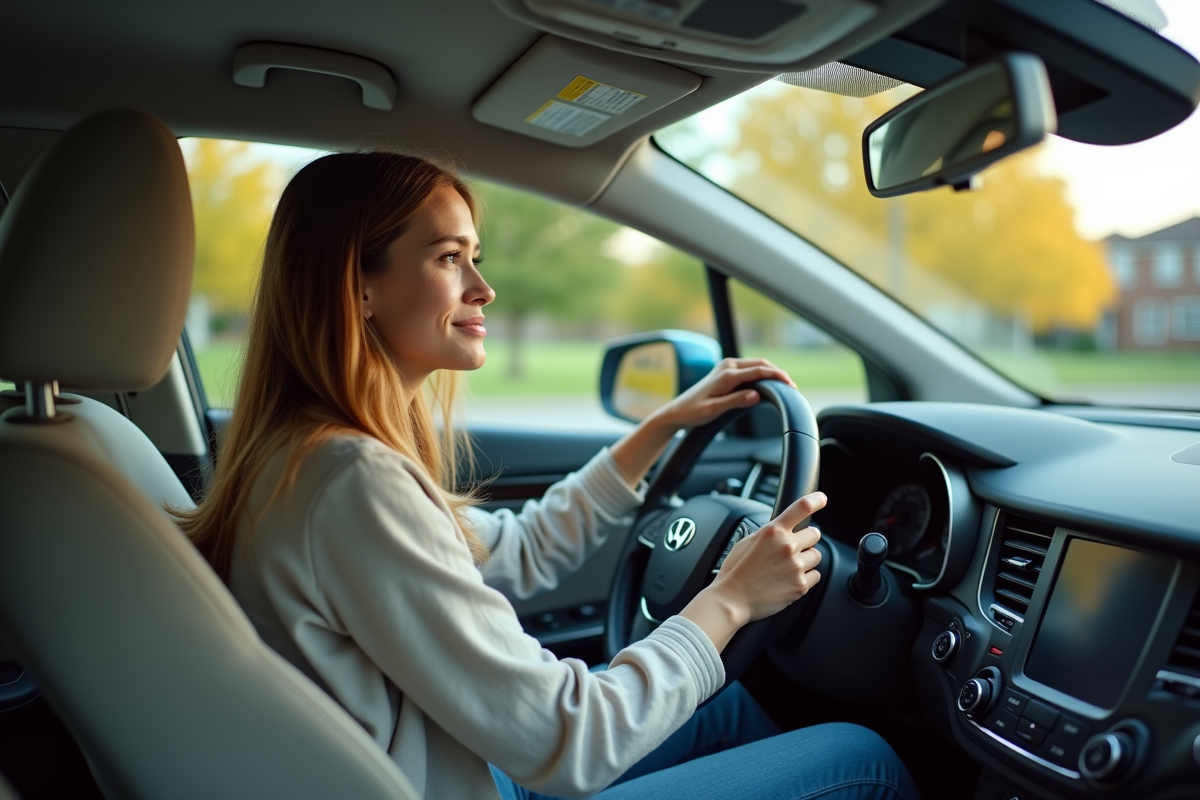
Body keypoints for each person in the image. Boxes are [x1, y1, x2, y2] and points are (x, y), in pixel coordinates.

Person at [178, 152, 920, 800]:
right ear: (360, 287)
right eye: (447, 257)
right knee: (864, 760)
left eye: (476, 256)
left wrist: (658, 429)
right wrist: (730, 601)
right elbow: (569, 739)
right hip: (469, 778)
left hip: (450, 767)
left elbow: (512, 554)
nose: (482, 287)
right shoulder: (352, 480)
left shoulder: (304, 454)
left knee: (720, 709)